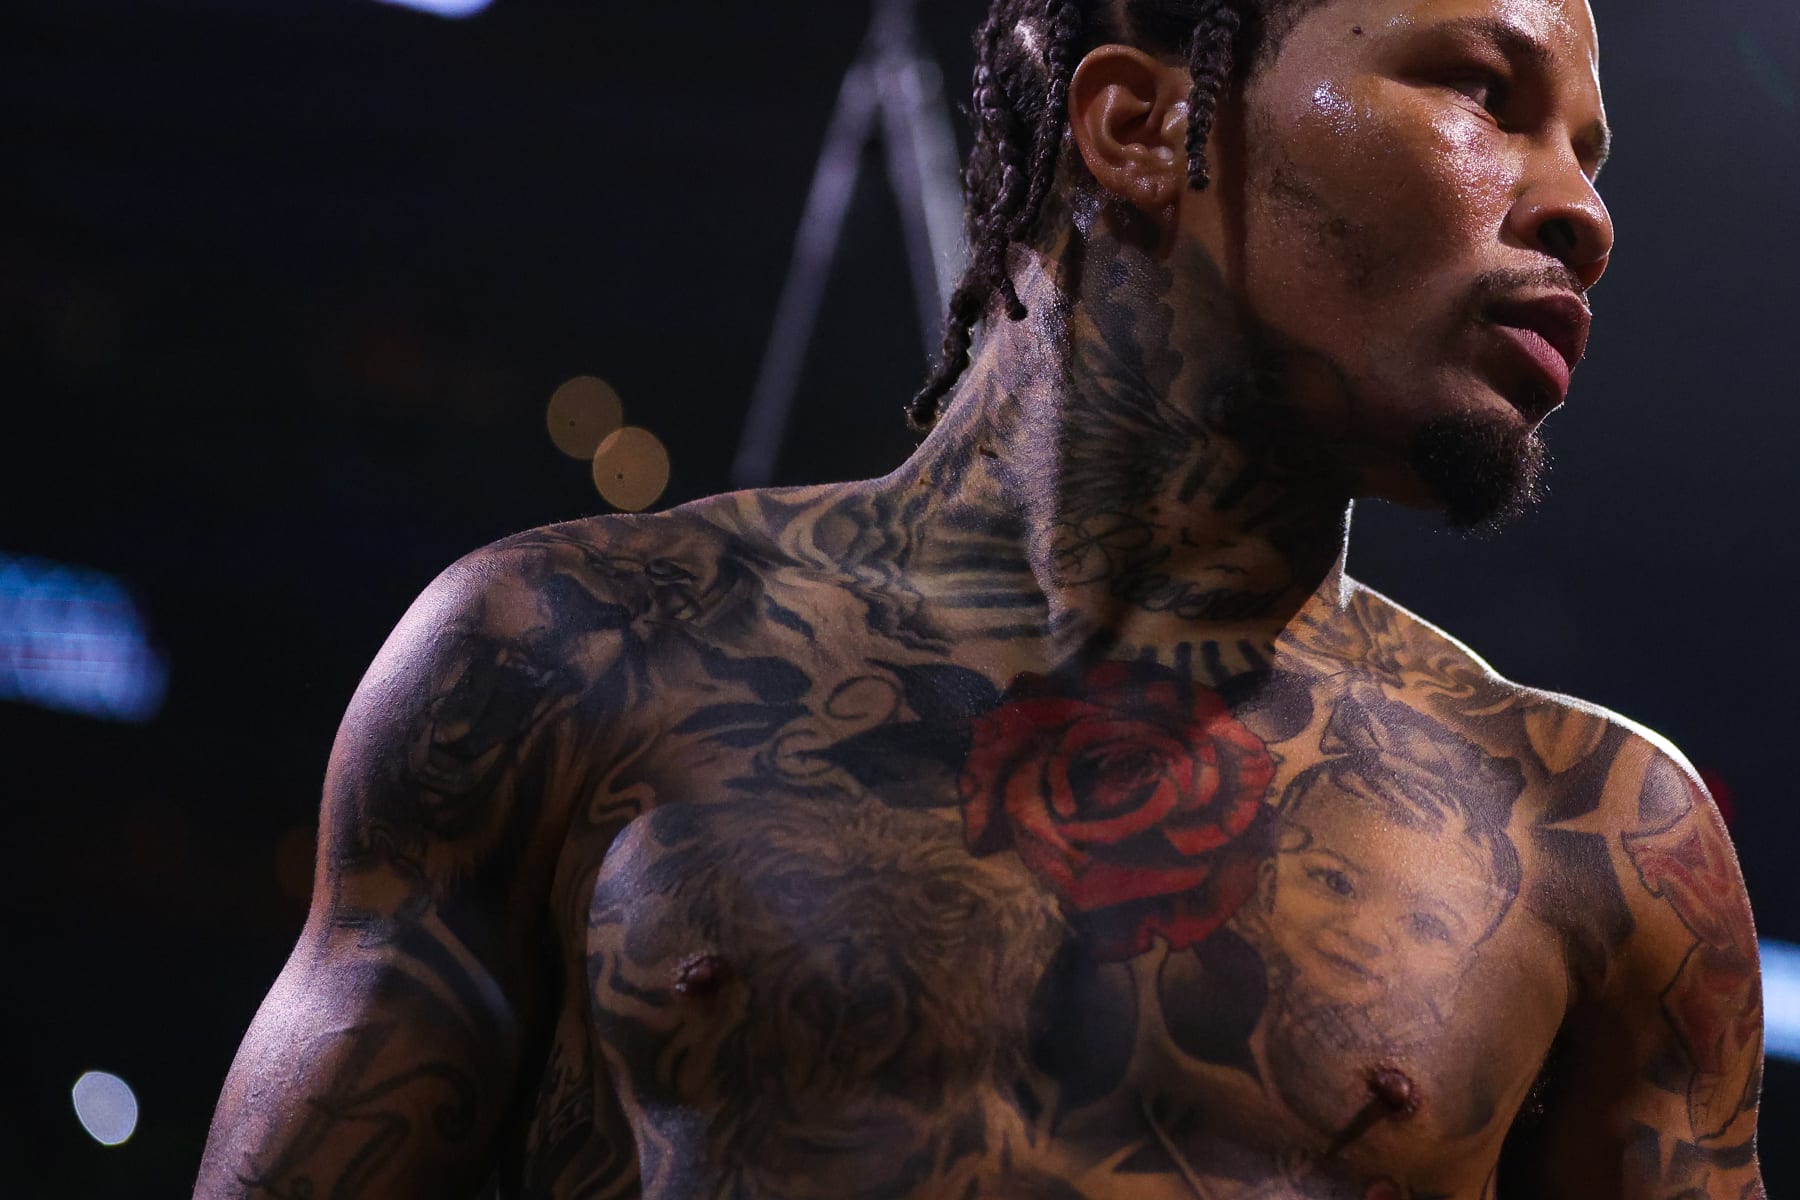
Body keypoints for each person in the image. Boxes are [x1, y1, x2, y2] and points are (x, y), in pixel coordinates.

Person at [194, 0, 1767, 1195]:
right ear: (1140, 127)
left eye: (1590, 150)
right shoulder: (573, 653)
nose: (1584, 213)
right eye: (1488, 93)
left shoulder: (1596, 837)